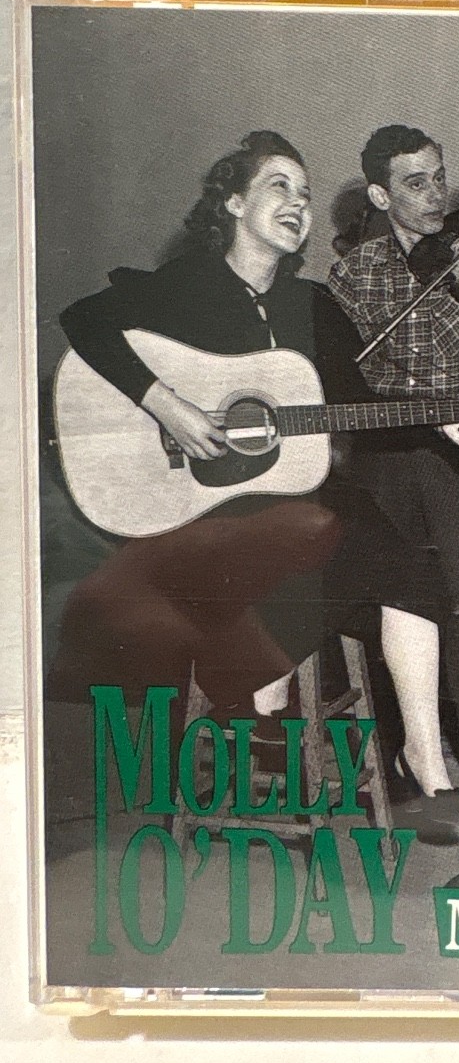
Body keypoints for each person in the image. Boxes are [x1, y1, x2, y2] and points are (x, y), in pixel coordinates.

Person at [56, 131, 367, 711]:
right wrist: (166, 405)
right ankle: (261, 707)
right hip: (193, 508)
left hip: (276, 503)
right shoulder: (187, 283)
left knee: (379, 544)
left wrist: (445, 415)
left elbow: (362, 400)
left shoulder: (314, 304)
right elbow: (84, 319)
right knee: (310, 540)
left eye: (305, 193)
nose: (298, 202)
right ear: (234, 203)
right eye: (279, 186)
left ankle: (409, 749)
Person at [328, 124, 459, 825]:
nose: (435, 195)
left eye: (439, 177)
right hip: (387, 461)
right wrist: (430, 407)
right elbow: (354, 379)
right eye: (415, 182)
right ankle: (413, 768)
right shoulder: (354, 274)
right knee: (402, 614)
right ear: (380, 196)